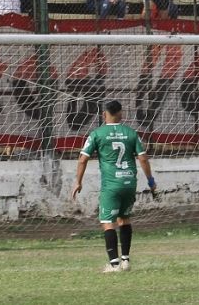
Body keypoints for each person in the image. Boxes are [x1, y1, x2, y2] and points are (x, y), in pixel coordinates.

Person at [71, 100, 157, 273]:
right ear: (121, 113)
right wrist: (151, 182)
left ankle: (114, 264)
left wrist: (78, 181)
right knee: (124, 218)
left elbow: (82, 159)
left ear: (104, 114)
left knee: (107, 222)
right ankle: (125, 260)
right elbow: (143, 158)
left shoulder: (97, 134)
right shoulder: (131, 133)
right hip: (129, 183)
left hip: (111, 184)